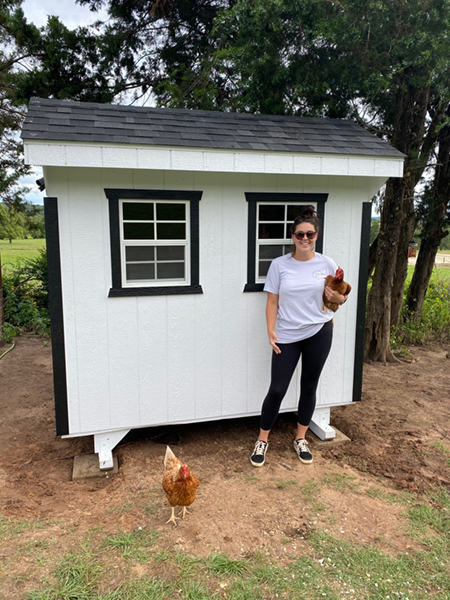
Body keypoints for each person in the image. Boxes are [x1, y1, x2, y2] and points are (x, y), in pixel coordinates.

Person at [250, 205, 348, 467]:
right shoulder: (279, 265)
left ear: (316, 236)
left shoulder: (326, 263)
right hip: (287, 335)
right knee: (277, 388)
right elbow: (272, 302)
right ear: (292, 236)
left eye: (310, 234)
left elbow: (341, 295)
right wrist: (271, 331)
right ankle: (262, 440)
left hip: (319, 331)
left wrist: (337, 297)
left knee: (309, 386)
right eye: (300, 234)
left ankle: (300, 438)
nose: (305, 239)